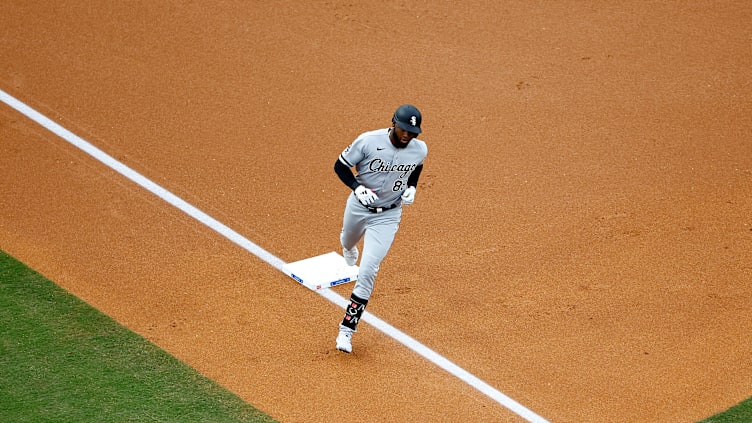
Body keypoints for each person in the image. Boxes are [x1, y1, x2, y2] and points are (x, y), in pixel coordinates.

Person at [333, 104, 429, 353]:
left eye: (413, 131)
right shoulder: (367, 141)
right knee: (347, 239)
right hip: (358, 207)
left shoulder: (420, 150)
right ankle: (348, 245)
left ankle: (347, 330)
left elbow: (416, 168)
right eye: (404, 129)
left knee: (367, 270)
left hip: (388, 216)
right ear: (393, 123)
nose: (408, 135)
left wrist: (412, 188)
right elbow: (340, 165)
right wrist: (357, 187)